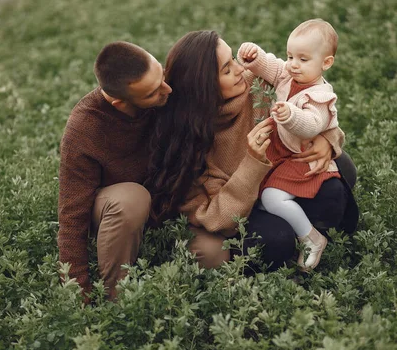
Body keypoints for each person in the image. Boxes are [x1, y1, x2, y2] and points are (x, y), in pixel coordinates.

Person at [147, 30, 358, 272]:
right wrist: (252, 162)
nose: (240, 70)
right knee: (276, 239)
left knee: (339, 174)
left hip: (282, 182)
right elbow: (218, 218)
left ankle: (312, 236)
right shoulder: (188, 142)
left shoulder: (257, 83)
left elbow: (315, 102)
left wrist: (327, 138)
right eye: (227, 69)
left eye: (234, 59)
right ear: (203, 87)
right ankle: (296, 244)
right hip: (245, 208)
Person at [58, 41, 172, 300]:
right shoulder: (84, 128)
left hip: (158, 207)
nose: (168, 89)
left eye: (162, 75)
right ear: (120, 104)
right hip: (111, 209)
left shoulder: (162, 89)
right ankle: (116, 300)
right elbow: (72, 216)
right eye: (153, 93)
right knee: (132, 198)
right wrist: (78, 295)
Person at [237, 19, 341, 270]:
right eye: (291, 56)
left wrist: (291, 117)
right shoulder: (288, 74)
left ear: (326, 63)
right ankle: (293, 228)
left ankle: (311, 237)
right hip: (283, 152)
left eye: (303, 59)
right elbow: (271, 66)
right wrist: (254, 56)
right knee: (264, 195)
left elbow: (313, 124)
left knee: (273, 197)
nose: (293, 64)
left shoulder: (320, 96)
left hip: (300, 157)